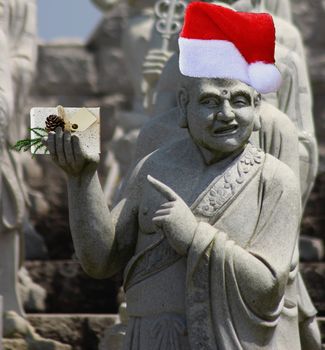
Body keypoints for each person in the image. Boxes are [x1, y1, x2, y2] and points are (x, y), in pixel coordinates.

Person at [44, 3, 321, 349]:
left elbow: (268, 285)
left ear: (257, 105)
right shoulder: (153, 165)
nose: (226, 114)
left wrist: (194, 237)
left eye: (239, 101)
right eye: (208, 102)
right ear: (183, 106)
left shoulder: (274, 179)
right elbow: (101, 260)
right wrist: (82, 180)